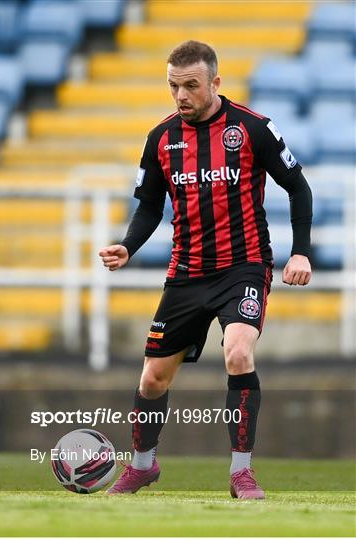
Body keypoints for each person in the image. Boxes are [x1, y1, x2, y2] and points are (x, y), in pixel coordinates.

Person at [99, 40, 312, 499]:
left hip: (244, 267)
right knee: (153, 378)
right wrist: (128, 247)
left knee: (238, 352)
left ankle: (241, 473)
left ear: (215, 82)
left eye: (191, 85)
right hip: (187, 272)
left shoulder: (253, 129)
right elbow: (150, 206)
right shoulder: (160, 138)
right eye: (173, 86)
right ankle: (143, 466)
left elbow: (299, 187)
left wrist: (301, 251)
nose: (181, 95)